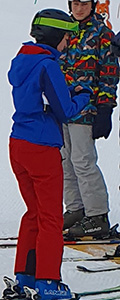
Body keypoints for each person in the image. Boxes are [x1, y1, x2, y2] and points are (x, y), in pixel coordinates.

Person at [6, 9, 91, 300]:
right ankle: (48, 281)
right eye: (67, 37)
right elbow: (65, 110)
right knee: (52, 217)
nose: (67, 43)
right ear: (55, 36)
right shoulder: (48, 65)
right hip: (42, 147)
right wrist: (84, 95)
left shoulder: (22, 60)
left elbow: (39, 95)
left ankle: (25, 276)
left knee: (34, 213)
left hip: (18, 143)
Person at [59, 0, 118, 237]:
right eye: (75, 3)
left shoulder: (103, 33)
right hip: (63, 107)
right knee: (65, 160)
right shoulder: (64, 30)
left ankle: (97, 215)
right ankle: (76, 208)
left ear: (93, 5)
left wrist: (105, 107)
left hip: (87, 109)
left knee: (83, 161)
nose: (79, 8)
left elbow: (110, 72)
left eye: (84, 3)